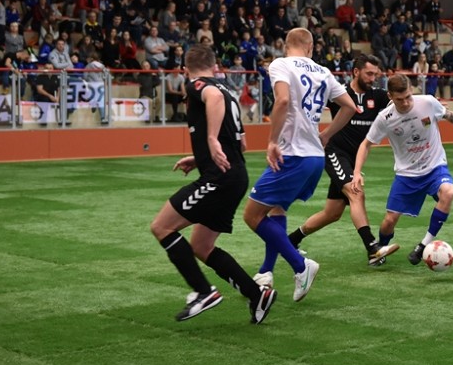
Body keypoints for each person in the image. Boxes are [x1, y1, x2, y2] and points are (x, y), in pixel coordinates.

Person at [148, 44, 276, 323]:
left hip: (220, 178)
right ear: (215, 66)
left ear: (185, 69)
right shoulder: (228, 90)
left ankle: (203, 292)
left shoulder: (199, 86)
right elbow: (241, 143)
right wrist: (201, 158)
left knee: (161, 227)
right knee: (201, 246)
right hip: (233, 175)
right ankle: (257, 295)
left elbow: (212, 98)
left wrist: (211, 139)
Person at [242, 27, 357, 302]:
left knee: (252, 216)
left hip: (292, 154)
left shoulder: (280, 64)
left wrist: (272, 140)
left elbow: (282, 100)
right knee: (276, 209)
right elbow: (350, 106)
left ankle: (301, 265)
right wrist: (326, 135)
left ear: (286, 45)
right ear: (311, 47)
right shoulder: (324, 71)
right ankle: (266, 272)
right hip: (315, 157)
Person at [350, 73, 453, 266]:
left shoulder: (427, 102)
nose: (406, 102)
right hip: (407, 174)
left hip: (435, 167)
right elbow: (366, 144)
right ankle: (379, 252)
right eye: (400, 99)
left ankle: (422, 246)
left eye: (408, 97)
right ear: (390, 96)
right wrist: (356, 172)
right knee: (389, 221)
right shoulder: (385, 118)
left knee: (448, 192)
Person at [284, 54, 400, 268]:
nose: (373, 78)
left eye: (375, 74)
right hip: (335, 153)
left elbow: (401, 101)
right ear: (356, 72)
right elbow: (309, 101)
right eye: (369, 73)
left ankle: (289, 241)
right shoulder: (339, 92)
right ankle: (372, 248)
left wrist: (425, 103)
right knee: (356, 193)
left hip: (354, 160)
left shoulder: (378, 96)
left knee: (332, 213)